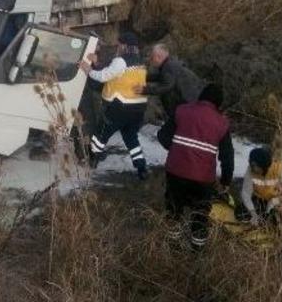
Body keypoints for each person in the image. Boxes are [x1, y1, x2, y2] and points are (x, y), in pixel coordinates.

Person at [158, 83, 234, 250]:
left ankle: (173, 248)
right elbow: (227, 157)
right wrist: (225, 182)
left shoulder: (181, 110)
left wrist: (177, 150)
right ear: (219, 104)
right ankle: (197, 252)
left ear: (201, 96)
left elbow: (163, 136)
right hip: (203, 179)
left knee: (174, 211)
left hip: (175, 172)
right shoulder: (222, 123)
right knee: (200, 216)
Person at [79, 32, 149, 179]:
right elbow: (116, 76)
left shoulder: (121, 61)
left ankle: (92, 162)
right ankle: (141, 168)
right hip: (138, 108)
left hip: (120, 107)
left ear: (124, 45)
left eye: (119, 44)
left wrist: (88, 69)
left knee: (100, 135)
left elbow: (104, 76)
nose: (118, 47)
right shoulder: (140, 62)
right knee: (131, 138)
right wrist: (97, 64)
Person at [137, 43, 204, 121]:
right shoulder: (170, 64)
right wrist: (143, 77)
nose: (150, 60)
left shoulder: (169, 67)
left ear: (159, 57)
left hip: (186, 105)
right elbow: (161, 77)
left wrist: (144, 90)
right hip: (191, 103)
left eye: (152, 57)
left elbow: (166, 86)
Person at [240, 147, 282, 226]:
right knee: (241, 213)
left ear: (263, 166)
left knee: (278, 221)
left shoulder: (281, 170)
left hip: (276, 201)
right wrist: (253, 213)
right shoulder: (250, 170)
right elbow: (246, 193)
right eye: (250, 163)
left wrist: (277, 203)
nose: (251, 167)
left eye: (254, 166)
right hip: (259, 200)